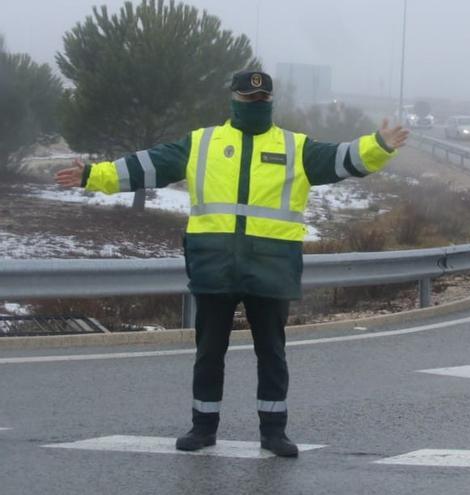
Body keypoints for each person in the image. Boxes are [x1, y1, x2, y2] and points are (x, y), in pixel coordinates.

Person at [54, 70, 410, 457]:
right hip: (215, 267)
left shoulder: (295, 148)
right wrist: (93, 174)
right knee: (209, 353)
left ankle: (274, 433)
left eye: (261, 99)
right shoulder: (203, 143)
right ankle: (202, 428)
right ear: (234, 100)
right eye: (248, 98)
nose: (255, 104)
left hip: (271, 269)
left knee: (271, 353)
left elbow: (343, 159)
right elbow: (145, 166)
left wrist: (379, 145)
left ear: (270, 101)